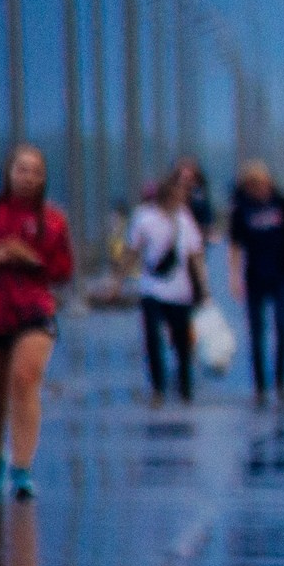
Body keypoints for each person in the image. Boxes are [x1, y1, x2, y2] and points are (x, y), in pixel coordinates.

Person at [0, 144, 75, 501]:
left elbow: (63, 271)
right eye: (22, 169)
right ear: (9, 172)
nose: (28, 177)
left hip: (33, 308)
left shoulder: (52, 220)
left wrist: (31, 258)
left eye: (35, 171)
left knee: (24, 377)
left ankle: (22, 468)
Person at [226, 158, 284, 402]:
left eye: (260, 183)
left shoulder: (282, 204)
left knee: (282, 326)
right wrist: (234, 277)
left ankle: (281, 382)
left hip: (283, 273)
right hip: (255, 275)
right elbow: (235, 247)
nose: (257, 188)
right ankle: (260, 385)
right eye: (251, 184)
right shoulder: (241, 209)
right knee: (256, 331)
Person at [129, 164, 206, 402]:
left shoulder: (184, 220)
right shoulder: (144, 217)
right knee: (152, 337)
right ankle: (158, 387)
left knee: (182, 341)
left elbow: (194, 255)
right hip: (152, 289)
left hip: (180, 291)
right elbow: (133, 250)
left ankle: (184, 385)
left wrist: (202, 288)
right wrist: (116, 282)